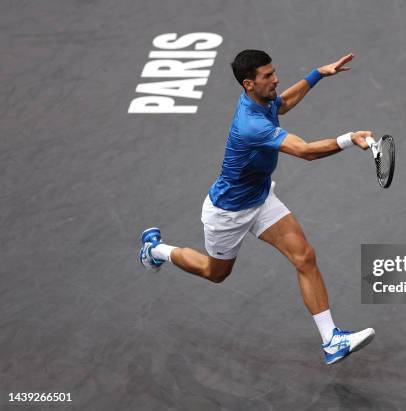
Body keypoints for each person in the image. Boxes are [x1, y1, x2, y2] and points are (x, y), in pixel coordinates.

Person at [139, 50, 375, 365]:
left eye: (274, 72)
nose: (276, 79)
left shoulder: (260, 102)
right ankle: (156, 250)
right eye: (268, 76)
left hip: (260, 198)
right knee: (215, 273)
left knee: (304, 256)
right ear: (249, 83)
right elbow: (304, 151)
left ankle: (332, 340)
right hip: (228, 212)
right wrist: (348, 138)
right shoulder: (251, 124)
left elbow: (285, 103)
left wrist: (318, 73)